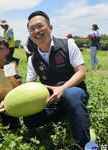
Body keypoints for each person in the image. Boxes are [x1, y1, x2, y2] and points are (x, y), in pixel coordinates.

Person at [24, 11, 90, 149]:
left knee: (70, 95)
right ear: (30, 33)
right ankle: (66, 112)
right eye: (32, 29)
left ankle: (82, 144)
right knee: (29, 120)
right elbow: (29, 85)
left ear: (50, 28)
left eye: (40, 26)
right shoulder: (32, 59)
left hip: (74, 91)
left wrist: (62, 89)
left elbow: (81, 73)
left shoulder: (67, 45)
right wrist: (9, 101)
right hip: (51, 99)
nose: (36, 31)